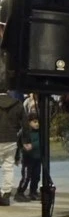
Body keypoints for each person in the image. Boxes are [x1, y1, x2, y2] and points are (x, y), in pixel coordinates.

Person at [0, 76, 25, 207]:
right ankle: (6, 194)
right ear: (8, 90)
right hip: (11, 139)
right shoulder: (17, 103)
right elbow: (25, 123)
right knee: (8, 166)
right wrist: (26, 140)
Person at [15, 114, 41, 202]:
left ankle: (33, 192)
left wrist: (32, 145)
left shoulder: (40, 132)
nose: (37, 124)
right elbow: (19, 144)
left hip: (37, 158)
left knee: (36, 176)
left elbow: (41, 142)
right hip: (28, 159)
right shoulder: (25, 132)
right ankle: (19, 193)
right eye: (35, 122)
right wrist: (17, 157)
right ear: (29, 122)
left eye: (38, 122)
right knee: (26, 177)